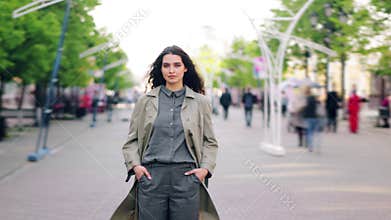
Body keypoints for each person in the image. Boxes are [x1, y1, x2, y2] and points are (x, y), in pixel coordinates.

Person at [111, 45, 219, 220]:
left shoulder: (200, 103)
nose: (171, 70)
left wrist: (204, 169)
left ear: (185, 68)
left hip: (186, 178)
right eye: (166, 65)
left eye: (177, 65)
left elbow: (210, 141)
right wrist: (136, 167)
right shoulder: (145, 101)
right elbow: (131, 141)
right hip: (151, 177)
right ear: (160, 69)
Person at [302, 86, 319, 152]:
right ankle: (310, 144)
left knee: (309, 132)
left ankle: (310, 146)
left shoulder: (306, 99)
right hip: (314, 117)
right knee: (312, 132)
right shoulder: (314, 99)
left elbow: (304, 108)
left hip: (308, 117)